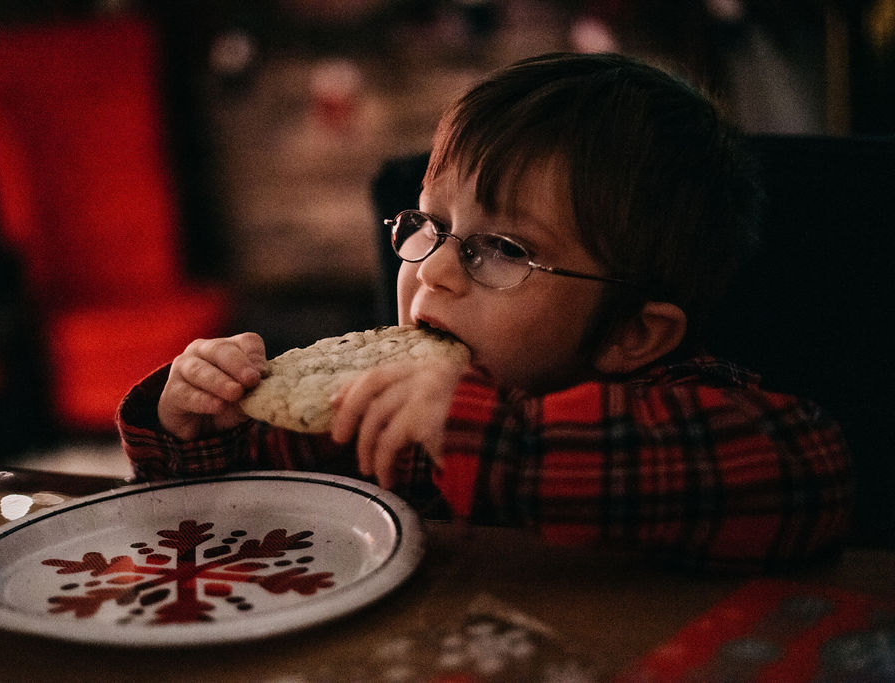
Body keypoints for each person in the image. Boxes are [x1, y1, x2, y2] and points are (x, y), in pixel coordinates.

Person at [117, 52, 853, 572]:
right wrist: (199, 433)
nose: (431, 270)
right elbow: (246, 512)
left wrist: (486, 439)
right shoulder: (387, 417)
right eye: (430, 225)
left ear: (633, 332)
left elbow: (807, 471)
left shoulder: (674, 400)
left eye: (502, 247)